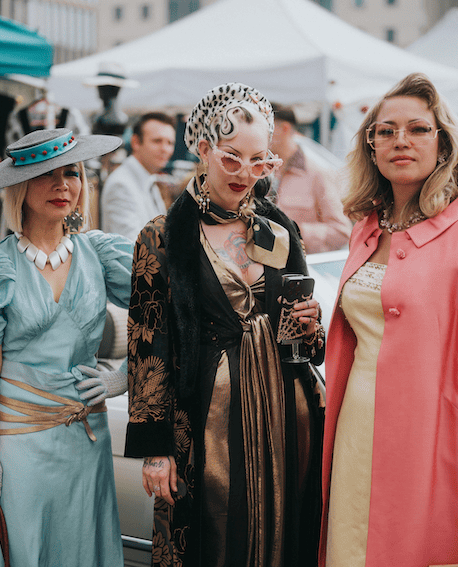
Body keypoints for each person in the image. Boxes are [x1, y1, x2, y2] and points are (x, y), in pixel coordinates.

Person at [320, 73, 458, 567]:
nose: (401, 141)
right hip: (353, 428)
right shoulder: (364, 230)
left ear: (443, 144)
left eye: (418, 129)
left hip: (432, 444)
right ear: (371, 145)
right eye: (386, 131)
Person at [125, 83, 326, 567]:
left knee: (288, 535)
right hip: (208, 419)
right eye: (232, 158)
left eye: (259, 162)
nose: (244, 174)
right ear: (203, 148)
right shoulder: (162, 236)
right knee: (215, 537)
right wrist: (156, 448)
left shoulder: (280, 229)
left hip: (286, 413)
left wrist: (310, 327)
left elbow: (302, 340)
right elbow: (147, 342)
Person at [0, 128, 132, 566]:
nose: (62, 185)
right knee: (27, 549)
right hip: (21, 444)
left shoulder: (101, 255)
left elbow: (167, 309)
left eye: (72, 173)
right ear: (20, 188)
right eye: (48, 175)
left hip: (88, 440)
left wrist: (128, 375)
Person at [268, 103, 352, 253]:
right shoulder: (258, 170)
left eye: (266, 129)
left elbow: (342, 232)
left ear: (285, 128)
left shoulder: (318, 173)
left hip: (301, 264)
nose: (258, 135)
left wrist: (294, 232)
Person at [100, 112, 176, 240]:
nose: (165, 149)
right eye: (157, 141)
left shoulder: (149, 179)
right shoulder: (121, 185)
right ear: (135, 142)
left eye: (170, 143)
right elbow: (132, 246)